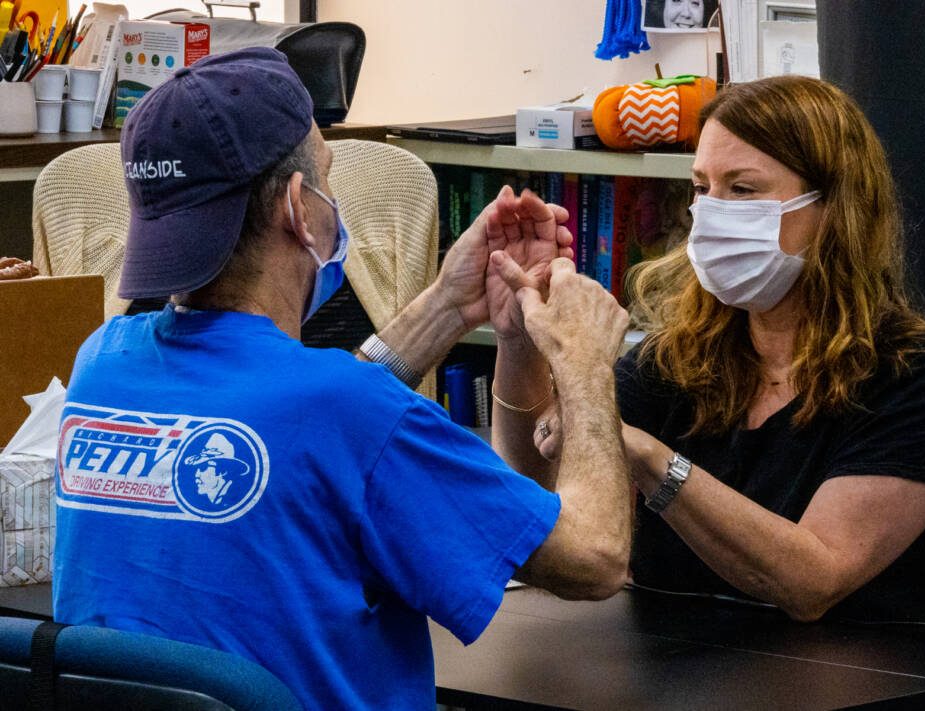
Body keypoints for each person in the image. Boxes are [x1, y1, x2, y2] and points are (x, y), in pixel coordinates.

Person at [52, 47, 634, 710]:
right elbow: (595, 557)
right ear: (301, 208)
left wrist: (449, 301)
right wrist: (584, 363)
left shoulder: (101, 365)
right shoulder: (346, 413)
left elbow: (296, 430)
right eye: (327, 177)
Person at [493, 75, 925, 625]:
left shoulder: (917, 376)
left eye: (743, 190)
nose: (712, 213)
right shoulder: (675, 361)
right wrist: (518, 340)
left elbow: (812, 582)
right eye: (702, 188)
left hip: (866, 679)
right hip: (675, 667)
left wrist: (647, 456)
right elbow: (538, 496)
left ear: (834, 211)